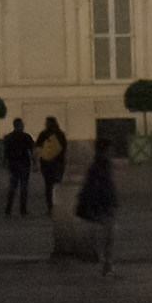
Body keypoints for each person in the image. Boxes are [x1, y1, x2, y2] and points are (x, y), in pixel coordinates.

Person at [75, 134, 120, 276]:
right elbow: (101, 187)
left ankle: (107, 265)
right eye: (109, 150)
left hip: (103, 205)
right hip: (103, 205)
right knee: (108, 236)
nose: (111, 153)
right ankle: (107, 265)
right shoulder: (100, 166)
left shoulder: (99, 165)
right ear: (104, 151)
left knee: (107, 235)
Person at [1, 117, 36, 216]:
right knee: (23, 187)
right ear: (20, 125)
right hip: (24, 164)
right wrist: (34, 162)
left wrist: (5, 162)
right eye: (22, 124)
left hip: (13, 164)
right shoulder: (26, 137)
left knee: (13, 186)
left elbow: (6, 151)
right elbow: (32, 150)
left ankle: (8, 209)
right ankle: (22, 210)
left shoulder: (9, 137)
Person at [35, 116, 69, 211]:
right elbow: (64, 147)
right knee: (57, 185)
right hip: (58, 162)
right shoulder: (60, 134)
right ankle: (57, 205)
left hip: (46, 163)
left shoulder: (43, 134)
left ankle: (50, 206)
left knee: (48, 185)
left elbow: (37, 146)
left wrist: (41, 157)